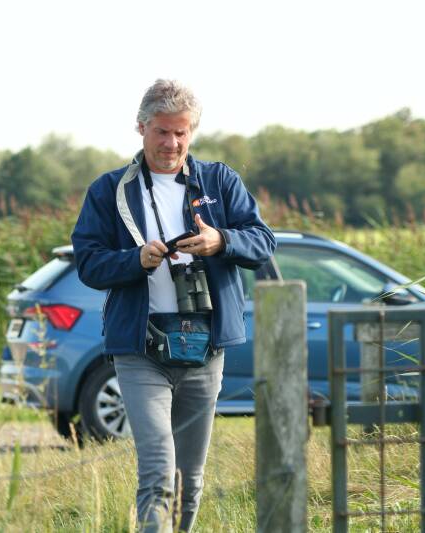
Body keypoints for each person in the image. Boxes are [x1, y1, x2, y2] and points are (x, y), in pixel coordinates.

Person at [71, 79, 276, 532]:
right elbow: (88, 262)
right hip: (139, 349)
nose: (172, 143)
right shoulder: (109, 190)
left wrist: (221, 241)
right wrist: (135, 260)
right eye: (162, 131)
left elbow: (263, 241)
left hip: (206, 346)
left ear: (192, 132)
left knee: (190, 478)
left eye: (181, 132)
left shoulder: (220, 180)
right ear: (141, 127)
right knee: (158, 470)